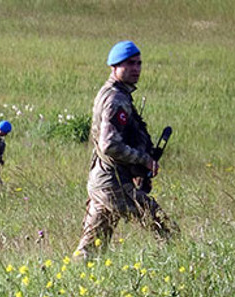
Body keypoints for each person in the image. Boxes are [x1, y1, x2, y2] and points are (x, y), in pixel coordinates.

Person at [74, 40, 178, 260]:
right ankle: (177, 266)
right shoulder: (116, 99)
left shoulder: (112, 93)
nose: (136, 68)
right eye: (129, 63)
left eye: (138, 63)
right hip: (112, 183)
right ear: (114, 66)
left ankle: (71, 278)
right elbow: (109, 145)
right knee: (164, 227)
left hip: (103, 180)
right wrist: (143, 160)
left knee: (91, 249)